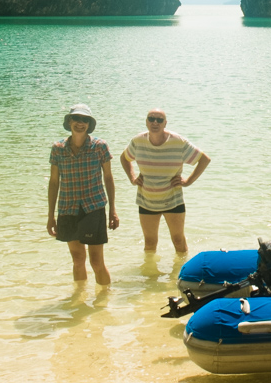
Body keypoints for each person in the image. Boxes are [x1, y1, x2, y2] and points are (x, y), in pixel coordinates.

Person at [120, 108, 211, 253]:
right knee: (149, 243)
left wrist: (188, 181)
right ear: (146, 122)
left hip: (173, 200)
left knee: (178, 240)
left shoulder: (178, 142)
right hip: (147, 200)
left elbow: (204, 159)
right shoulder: (138, 141)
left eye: (159, 120)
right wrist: (132, 177)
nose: (155, 122)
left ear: (165, 123)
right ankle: (150, 275)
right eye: (151, 118)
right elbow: (124, 158)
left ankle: (181, 273)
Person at [47, 104, 119, 284]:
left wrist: (112, 210)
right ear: (69, 121)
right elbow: (54, 182)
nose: (81, 123)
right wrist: (50, 216)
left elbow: (108, 178)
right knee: (78, 260)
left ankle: (104, 302)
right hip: (68, 208)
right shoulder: (58, 148)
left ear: (89, 124)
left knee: (96, 262)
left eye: (85, 120)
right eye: (77, 119)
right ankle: (79, 303)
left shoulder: (99, 146)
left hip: (93, 207)